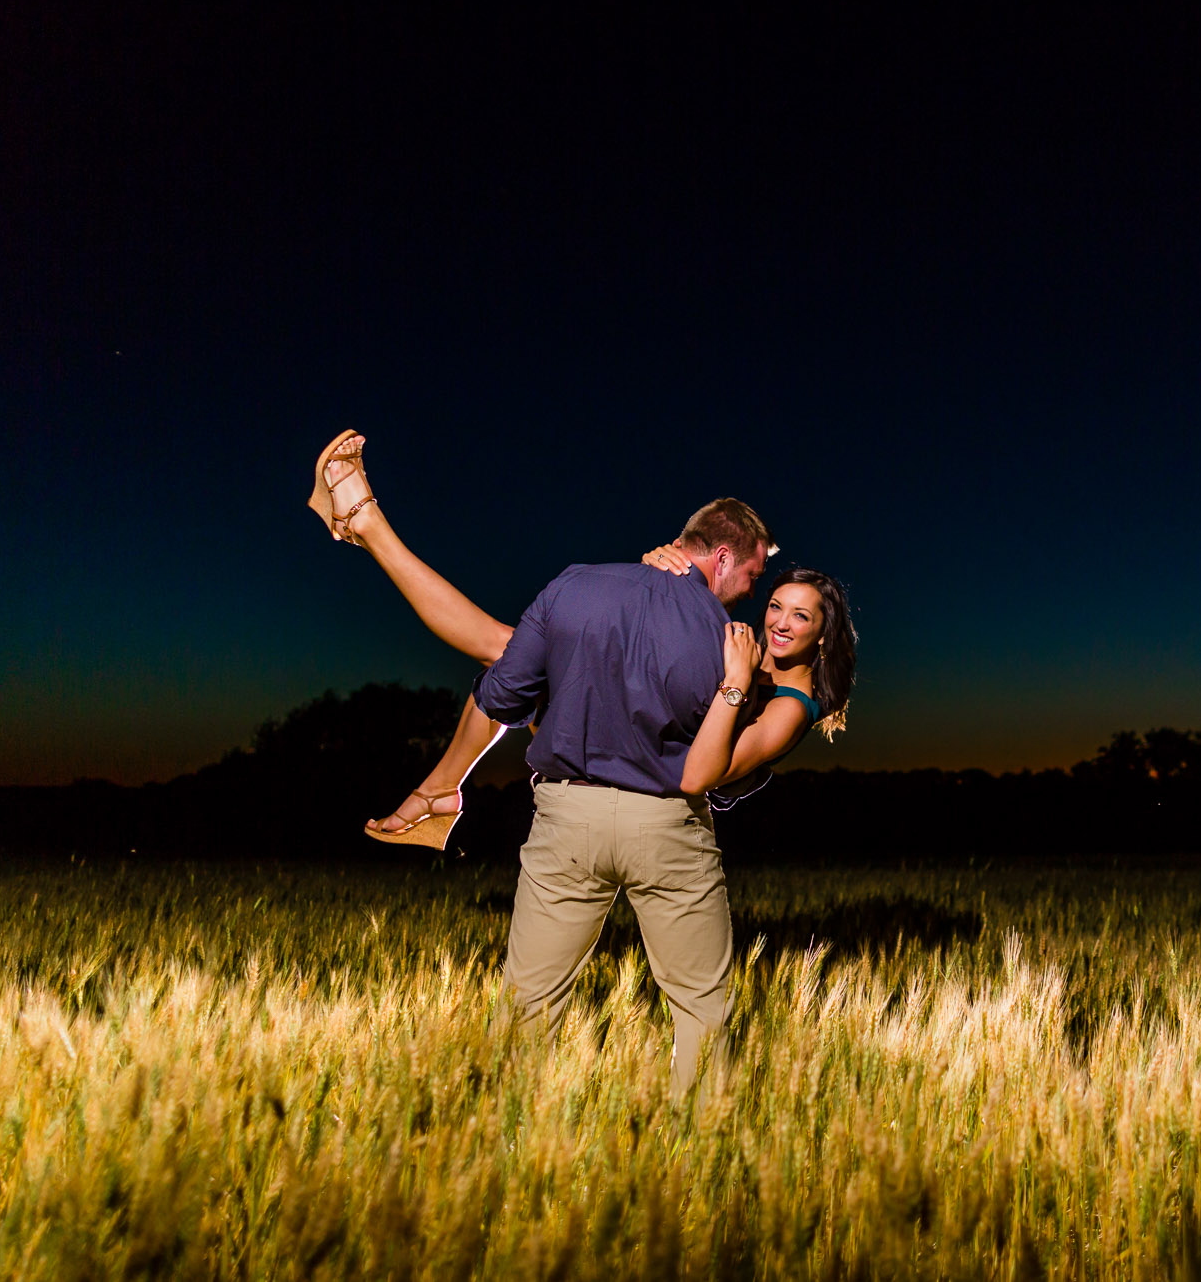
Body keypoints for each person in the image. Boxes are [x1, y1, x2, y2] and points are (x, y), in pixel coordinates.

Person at [306, 431, 858, 1092]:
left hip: (586, 805)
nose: (764, 608)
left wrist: (730, 672)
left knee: (505, 649)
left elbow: (698, 772)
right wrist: (683, 595)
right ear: (718, 559)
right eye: (762, 591)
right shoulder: (721, 636)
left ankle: (372, 534)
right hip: (661, 825)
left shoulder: (775, 689)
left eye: (796, 612)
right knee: (700, 1010)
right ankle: (699, 1152)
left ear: (822, 633)